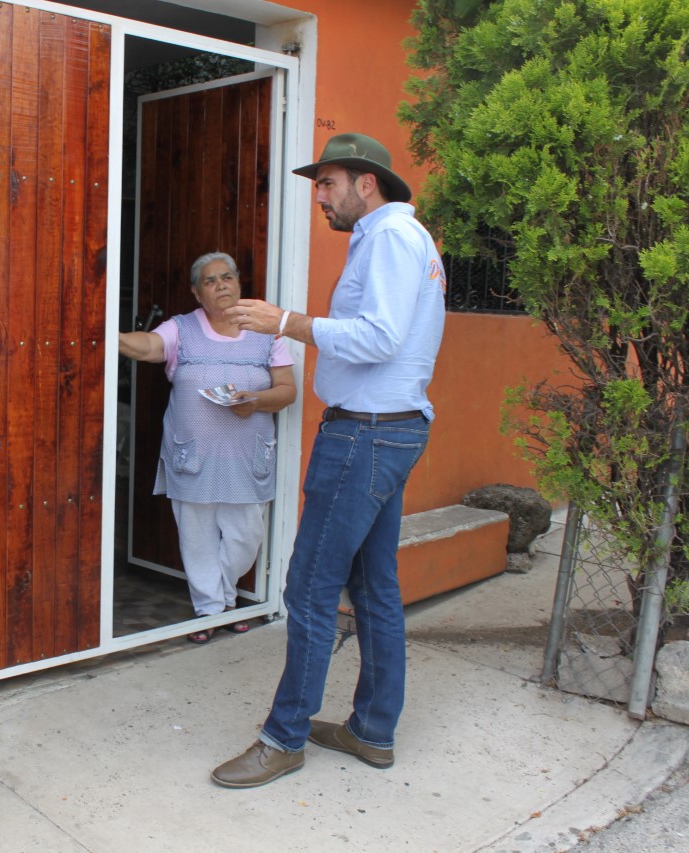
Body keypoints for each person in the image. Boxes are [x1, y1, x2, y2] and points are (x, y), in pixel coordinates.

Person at [210, 133, 446, 787]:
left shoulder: (392, 239)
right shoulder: (396, 238)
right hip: (385, 429)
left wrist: (288, 322)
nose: (320, 196)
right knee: (373, 585)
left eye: (328, 183)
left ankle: (283, 737)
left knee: (309, 586)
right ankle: (372, 729)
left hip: (365, 435)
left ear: (365, 183)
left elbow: (379, 337)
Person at [119, 252, 296, 643]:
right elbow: (148, 346)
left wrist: (255, 401)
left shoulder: (267, 332)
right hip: (194, 454)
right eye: (211, 281)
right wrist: (110, 338)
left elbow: (287, 390)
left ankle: (225, 594)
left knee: (245, 536)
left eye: (227, 277)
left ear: (238, 284)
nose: (221, 285)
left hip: (246, 457)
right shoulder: (182, 328)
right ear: (198, 294)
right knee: (196, 535)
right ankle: (210, 610)